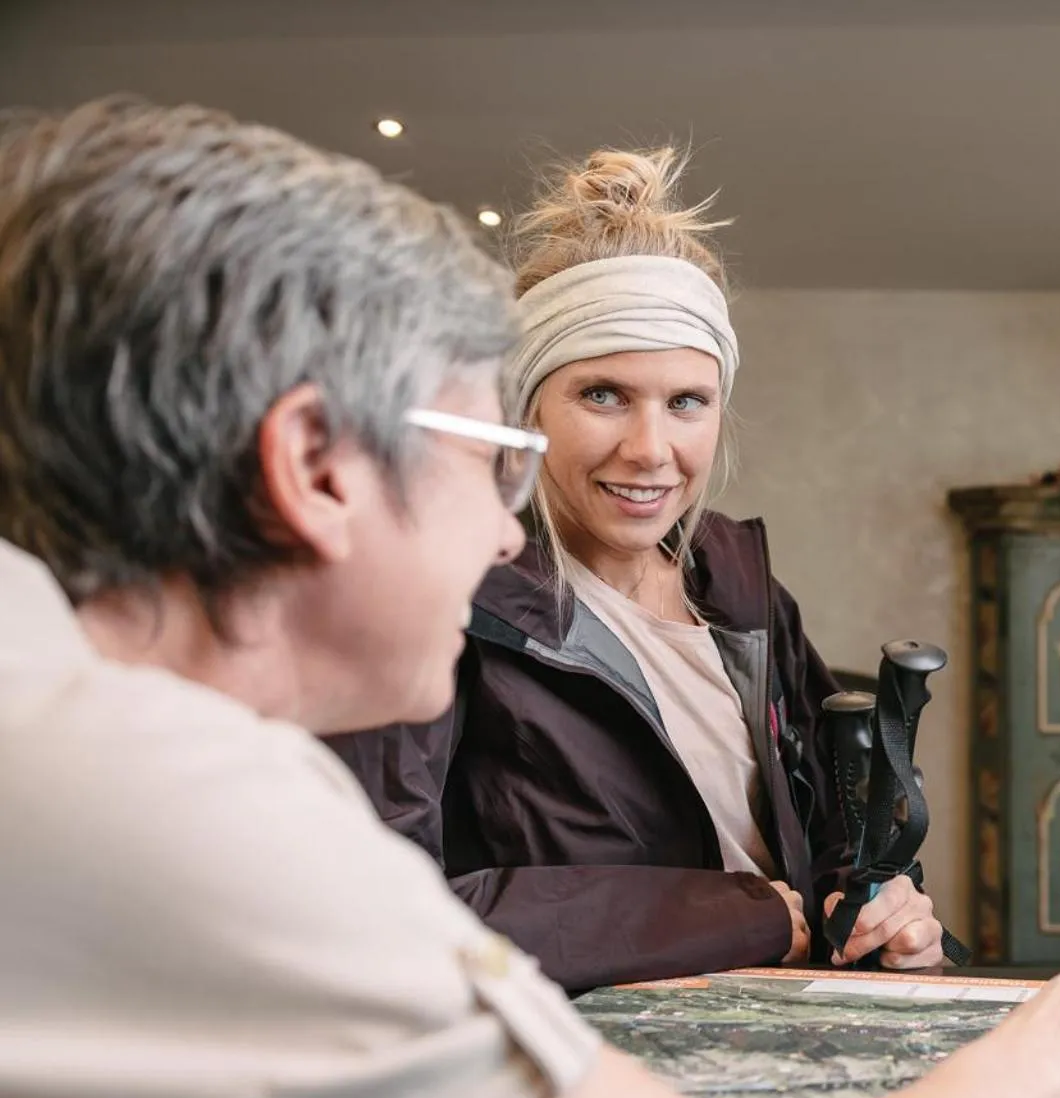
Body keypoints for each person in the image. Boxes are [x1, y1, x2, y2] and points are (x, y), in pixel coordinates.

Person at [0, 98, 1060, 1098]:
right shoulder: (192, 821)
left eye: (685, 403)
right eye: (486, 454)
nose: (507, 537)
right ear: (313, 467)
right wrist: (1035, 1056)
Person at [329, 148, 948, 990]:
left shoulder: (741, 582)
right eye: (604, 395)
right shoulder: (447, 600)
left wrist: (881, 913)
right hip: (581, 1066)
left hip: (781, 1044)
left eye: (685, 402)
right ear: (526, 404)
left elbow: (834, 841)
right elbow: (381, 910)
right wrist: (732, 916)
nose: (650, 450)